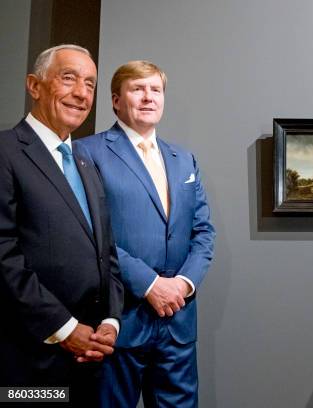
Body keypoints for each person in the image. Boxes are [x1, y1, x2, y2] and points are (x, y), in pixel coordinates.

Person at [76, 60, 215, 408]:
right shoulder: (87, 153)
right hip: (119, 319)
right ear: (116, 100)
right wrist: (151, 284)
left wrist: (182, 284)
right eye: (138, 89)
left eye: (156, 90)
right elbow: (90, 234)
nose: (148, 97)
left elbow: (203, 233)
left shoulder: (184, 160)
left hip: (178, 321)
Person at [0, 44, 124, 405]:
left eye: (90, 83)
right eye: (68, 78)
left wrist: (111, 322)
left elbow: (107, 252)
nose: (82, 93)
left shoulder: (85, 160)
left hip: (91, 356)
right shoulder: (6, 152)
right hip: (29, 358)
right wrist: (66, 329)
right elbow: (3, 254)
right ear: (34, 85)